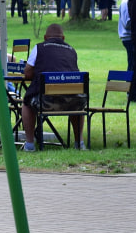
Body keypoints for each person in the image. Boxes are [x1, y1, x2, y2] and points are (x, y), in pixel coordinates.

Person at [20, 23, 86, 151]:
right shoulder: (72, 50)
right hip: (73, 103)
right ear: (63, 38)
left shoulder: (39, 48)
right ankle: (79, 142)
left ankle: (29, 144)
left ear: (45, 37)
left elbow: (27, 73)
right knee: (77, 102)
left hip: (46, 102)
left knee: (27, 103)